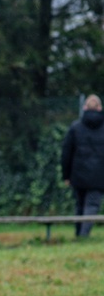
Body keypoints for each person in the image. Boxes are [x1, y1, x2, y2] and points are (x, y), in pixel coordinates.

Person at [61, 94, 104, 237]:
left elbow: (66, 153)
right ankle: (84, 235)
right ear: (100, 108)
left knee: (79, 205)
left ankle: (79, 233)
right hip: (99, 176)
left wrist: (66, 175)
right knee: (92, 205)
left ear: (84, 107)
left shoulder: (75, 127)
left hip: (78, 175)